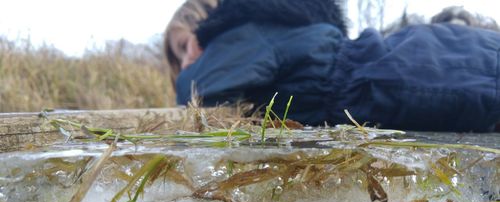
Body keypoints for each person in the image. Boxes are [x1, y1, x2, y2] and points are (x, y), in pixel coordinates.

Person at [165, 0, 500, 132]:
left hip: (375, 78)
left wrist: (193, 59)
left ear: (204, 24)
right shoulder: (269, 29)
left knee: (481, 83)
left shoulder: (241, 34)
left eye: (184, 47)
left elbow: (195, 91)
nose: (185, 62)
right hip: (375, 74)